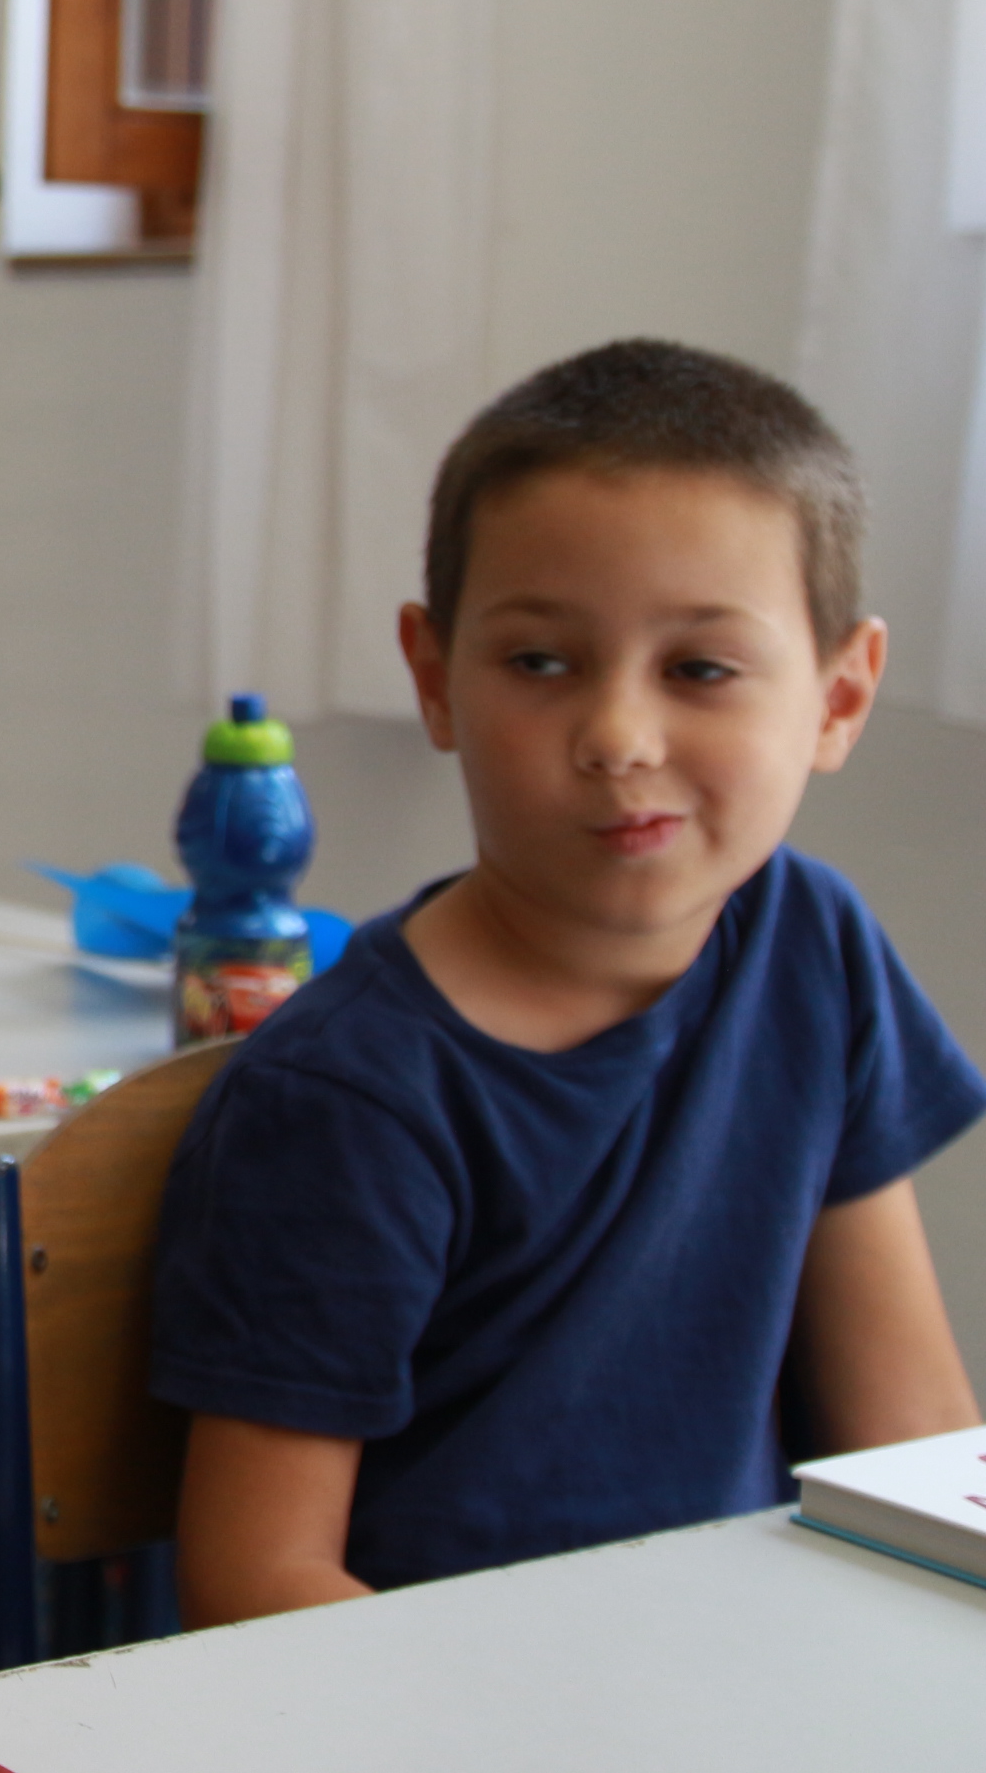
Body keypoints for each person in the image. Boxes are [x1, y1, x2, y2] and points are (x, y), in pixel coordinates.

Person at [153, 339, 986, 1624]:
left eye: (699, 669)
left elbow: (910, 1433)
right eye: (541, 663)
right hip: (436, 1695)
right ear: (436, 678)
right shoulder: (347, 1093)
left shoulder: (810, 944)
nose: (618, 738)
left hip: (759, 1668)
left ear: (838, 696)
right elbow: (254, 1579)